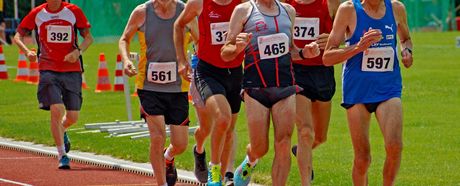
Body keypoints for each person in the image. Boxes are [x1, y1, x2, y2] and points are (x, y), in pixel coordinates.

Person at [220, 0, 320, 184]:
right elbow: (225, 52)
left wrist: (305, 53)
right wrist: (238, 47)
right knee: (260, 148)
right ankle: (251, 159)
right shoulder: (243, 11)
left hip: (285, 85)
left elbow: (291, 49)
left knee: (283, 143)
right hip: (256, 87)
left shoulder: (288, 10)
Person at [323, 0, 413, 185]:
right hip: (358, 91)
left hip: (389, 88)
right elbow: (327, 57)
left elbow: (405, 39)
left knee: (395, 146)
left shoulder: (396, 8)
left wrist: (407, 52)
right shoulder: (348, 10)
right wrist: (358, 47)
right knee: (363, 158)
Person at [119, 0, 197, 185]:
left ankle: (168, 157)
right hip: (149, 86)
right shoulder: (141, 12)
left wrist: (191, 62)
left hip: (177, 87)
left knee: (180, 144)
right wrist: (125, 60)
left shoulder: (184, 10)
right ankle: (161, 183)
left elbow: (200, 37)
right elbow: (124, 39)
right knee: (157, 137)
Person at [13, 0, 93, 169]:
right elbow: (17, 36)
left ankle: (62, 129)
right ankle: (62, 155)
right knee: (56, 109)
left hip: (72, 69)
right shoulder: (37, 13)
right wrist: (27, 51)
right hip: (48, 68)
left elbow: (88, 38)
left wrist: (77, 52)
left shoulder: (73, 11)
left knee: (73, 116)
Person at [174, 0, 244, 185]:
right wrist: (181, 60)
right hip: (208, 71)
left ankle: (220, 178)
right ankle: (210, 164)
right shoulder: (199, 3)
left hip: (235, 72)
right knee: (220, 120)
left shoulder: (243, 3)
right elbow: (179, 24)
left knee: (228, 130)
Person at [285, 0, 339, 184]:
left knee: (320, 137)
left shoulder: (331, 3)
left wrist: (333, 38)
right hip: (295, 70)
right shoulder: (286, 4)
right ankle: (305, 182)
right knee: (305, 132)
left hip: (322, 72)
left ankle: (299, 150)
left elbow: (347, 31)